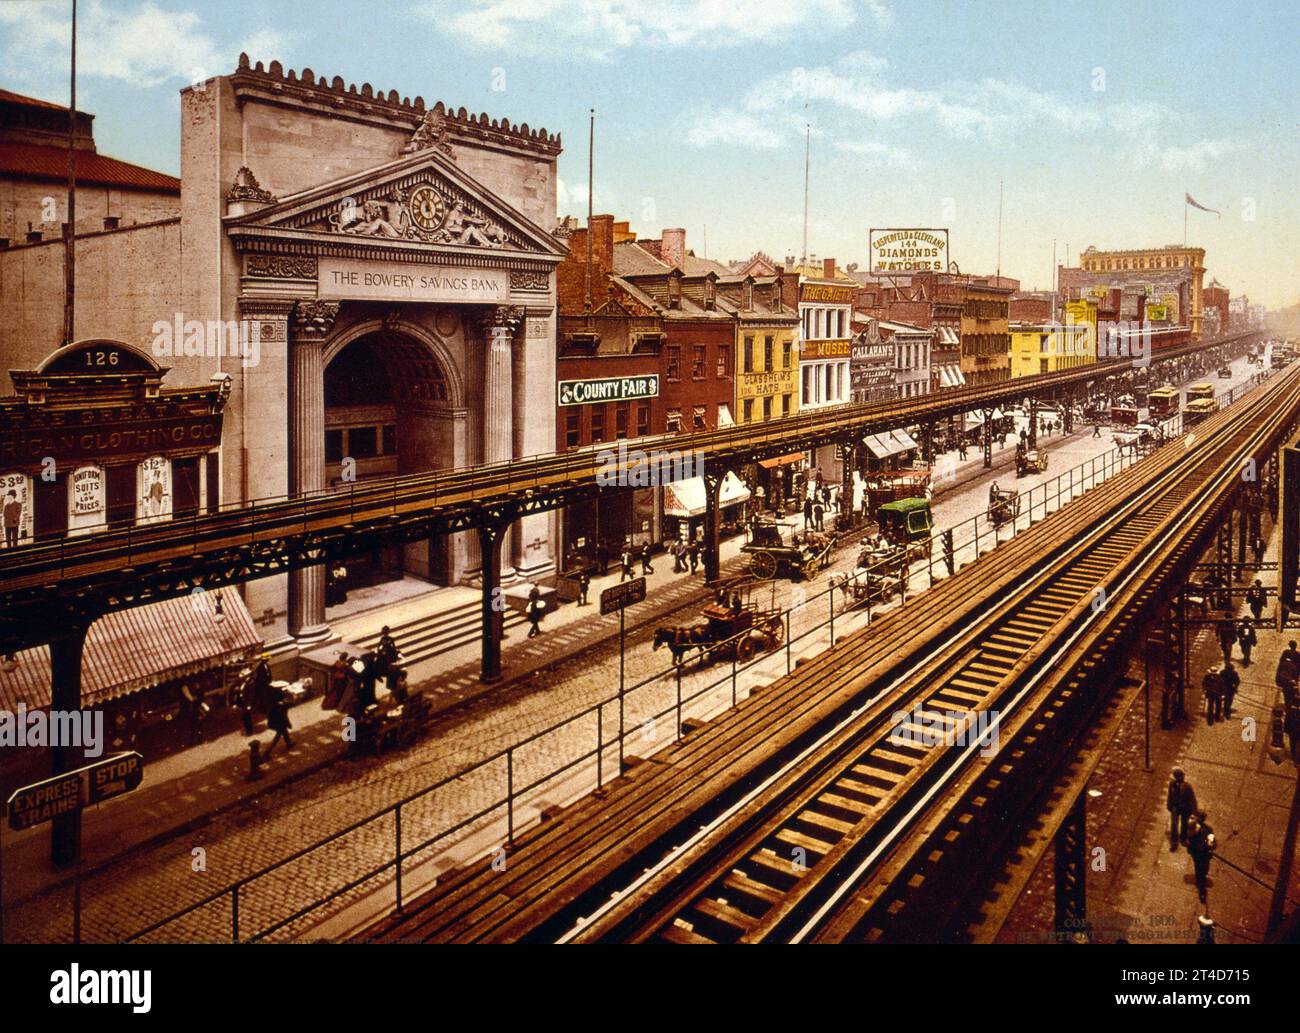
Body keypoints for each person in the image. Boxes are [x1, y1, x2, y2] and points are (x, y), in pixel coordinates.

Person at [1186, 811, 1216, 904]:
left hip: (1205, 856)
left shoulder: (1208, 830)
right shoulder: (1192, 834)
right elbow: (1192, 847)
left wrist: (1212, 844)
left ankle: (1202, 879)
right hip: (1199, 855)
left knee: (1204, 869)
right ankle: (1201, 888)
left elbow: (1213, 844)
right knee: (1200, 870)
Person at [1167, 768, 1197, 851]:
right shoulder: (1172, 784)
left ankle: (1183, 838)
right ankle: (1174, 842)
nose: (1181, 778)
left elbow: (1192, 800)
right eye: (1179, 777)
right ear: (1176, 777)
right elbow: (1170, 795)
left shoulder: (1187, 787)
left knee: (1184, 823)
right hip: (1175, 807)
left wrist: (1194, 812)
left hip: (1185, 808)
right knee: (1174, 824)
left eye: (1182, 776)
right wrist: (1169, 805)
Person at [264, 687, 293, 758]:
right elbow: (284, 716)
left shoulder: (274, 704)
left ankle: (288, 742)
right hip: (278, 721)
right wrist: (288, 723)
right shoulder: (281, 705)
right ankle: (267, 752)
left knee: (283, 730)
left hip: (275, 720)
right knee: (279, 734)